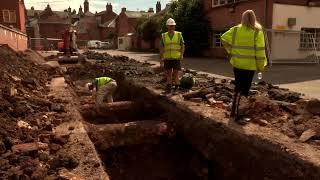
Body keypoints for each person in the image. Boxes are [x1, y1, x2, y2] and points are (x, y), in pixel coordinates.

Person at [221, 10, 267, 125]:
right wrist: (261, 67)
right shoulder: (257, 32)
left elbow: (223, 38)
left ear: (243, 18)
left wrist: (230, 50)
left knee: (238, 87)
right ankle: (240, 115)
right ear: (254, 18)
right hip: (249, 66)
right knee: (245, 90)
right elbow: (260, 52)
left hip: (237, 64)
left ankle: (233, 112)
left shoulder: (236, 29)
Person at [159, 18, 185, 92]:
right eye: (170, 26)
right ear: (167, 26)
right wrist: (161, 57)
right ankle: (169, 86)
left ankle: (177, 86)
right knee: (168, 73)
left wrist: (182, 55)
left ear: (174, 26)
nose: (171, 27)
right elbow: (161, 47)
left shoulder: (179, 34)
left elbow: (183, 45)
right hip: (167, 58)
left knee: (175, 73)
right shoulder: (164, 36)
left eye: (173, 25)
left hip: (176, 57)